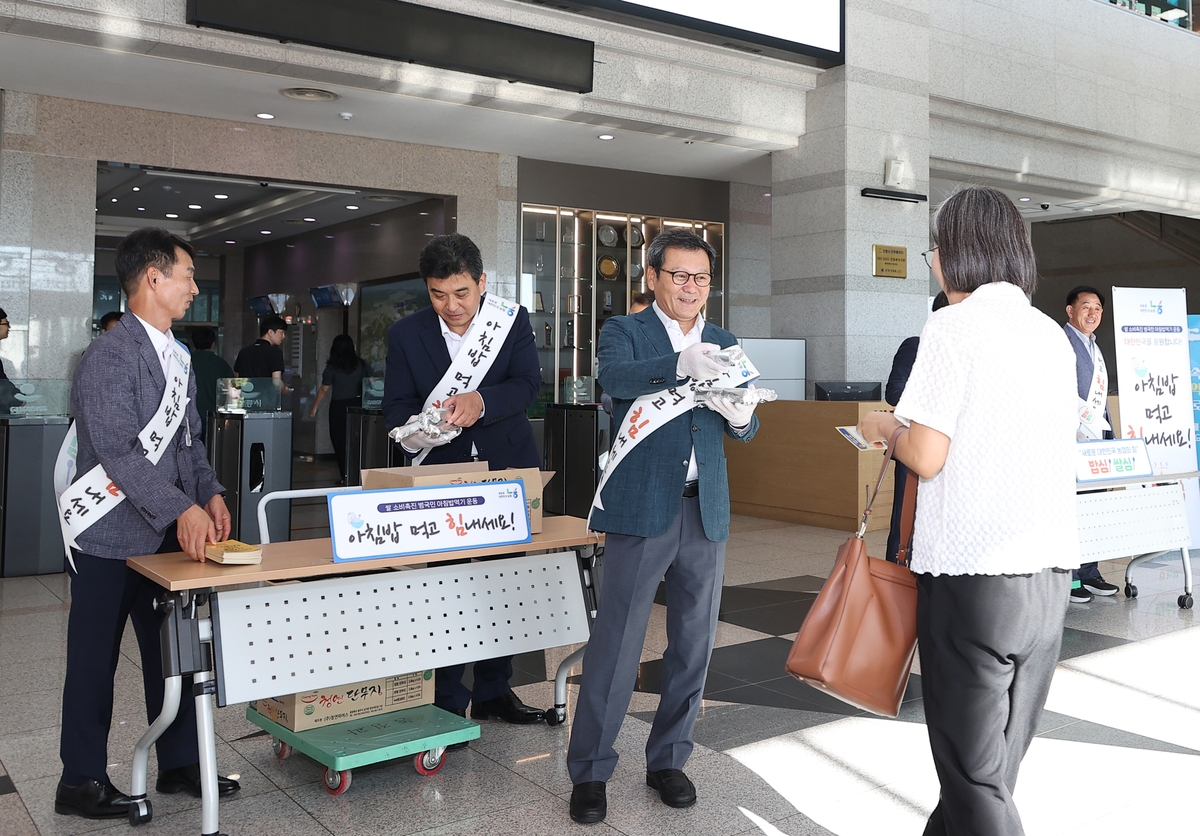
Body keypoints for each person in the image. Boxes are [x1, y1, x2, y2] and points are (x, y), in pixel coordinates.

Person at [859, 187, 1077, 836]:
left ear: (956, 252)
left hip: (973, 580)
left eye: (934, 249)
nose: (932, 263)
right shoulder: (1050, 335)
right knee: (992, 770)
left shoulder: (953, 324)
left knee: (974, 780)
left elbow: (925, 454)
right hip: (1049, 580)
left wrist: (886, 428)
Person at [567, 229, 761, 825]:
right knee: (619, 640)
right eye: (678, 275)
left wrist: (743, 414)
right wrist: (679, 362)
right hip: (642, 507)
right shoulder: (625, 332)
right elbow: (616, 382)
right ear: (652, 277)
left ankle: (670, 758)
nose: (690, 287)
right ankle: (592, 768)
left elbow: (744, 427)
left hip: (707, 509)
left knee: (694, 642)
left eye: (700, 278)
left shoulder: (725, 340)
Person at [56, 228, 239, 820]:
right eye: (186, 276)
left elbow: (188, 443)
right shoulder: (109, 355)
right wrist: (179, 507)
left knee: (176, 655)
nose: (192, 287)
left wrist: (207, 493)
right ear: (153, 279)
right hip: (109, 537)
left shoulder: (176, 354)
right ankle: (80, 779)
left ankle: (180, 762)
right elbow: (118, 451)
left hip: (163, 536)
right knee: (94, 659)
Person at [382, 232, 545, 726]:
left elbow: (527, 385)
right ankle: (446, 699)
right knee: (445, 588)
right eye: (437, 294)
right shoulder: (406, 335)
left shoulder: (510, 321)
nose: (450, 306)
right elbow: (395, 407)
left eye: (461, 293)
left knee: (504, 582)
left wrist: (482, 401)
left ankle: (496, 690)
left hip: (506, 468)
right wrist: (416, 431)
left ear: (482, 283)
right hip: (439, 477)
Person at [883, 291, 948, 563]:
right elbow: (894, 392)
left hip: (957, 453)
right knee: (906, 521)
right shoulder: (916, 346)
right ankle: (895, 584)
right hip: (918, 445)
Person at [1064, 285, 1118, 603]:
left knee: (1094, 508)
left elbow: (1100, 400)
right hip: (1071, 440)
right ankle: (1070, 578)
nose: (1093, 313)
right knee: (1072, 510)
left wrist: (1110, 433)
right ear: (1070, 311)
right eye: (1086, 307)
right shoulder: (1060, 341)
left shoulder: (1094, 346)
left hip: (1096, 441)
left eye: (1097, 308)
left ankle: (1089, 571)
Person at [310, 334, 369, 484]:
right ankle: (360, 475)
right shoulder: (361, 364)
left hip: (338, 408)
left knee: (340, 442)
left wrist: (314, 408)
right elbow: (371, 383)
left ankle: (346, 476)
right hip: (358, 406)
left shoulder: (332, 367)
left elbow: (324, 390)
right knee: (357, 442)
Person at [189, 326, 233, 446]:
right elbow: (232, 394)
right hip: (213, 418)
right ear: (213, 343)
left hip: (188, 418)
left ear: (193, 342)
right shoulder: (221, 364)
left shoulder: (185, 361)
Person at [233, 313, 290, 395]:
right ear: (270, 332)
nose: (283, 336)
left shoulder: (244, 352)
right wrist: (285, 389)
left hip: (246, 402)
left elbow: (237, 379)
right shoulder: (275, 352)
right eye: (281, 332)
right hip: (266, 402)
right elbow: (276, 382)